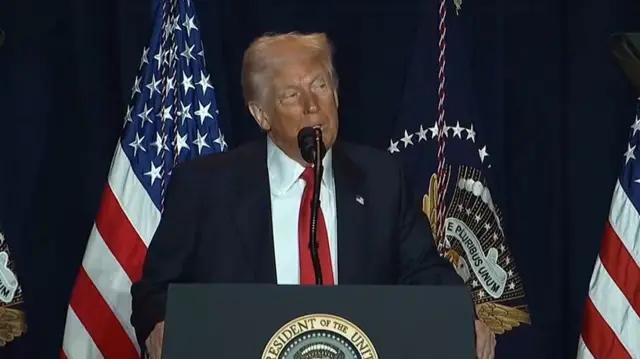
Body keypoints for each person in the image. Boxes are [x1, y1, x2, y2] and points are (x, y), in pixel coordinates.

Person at [130, 32, 496, 359]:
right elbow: (155, 290)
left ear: (335, 94)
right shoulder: (207, 187)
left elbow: (426, 272)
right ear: (261, 115)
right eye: (291, 94)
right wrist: (159, 325)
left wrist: (463, 317)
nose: (311, 105)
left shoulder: (381, 179)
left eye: (320, 86)